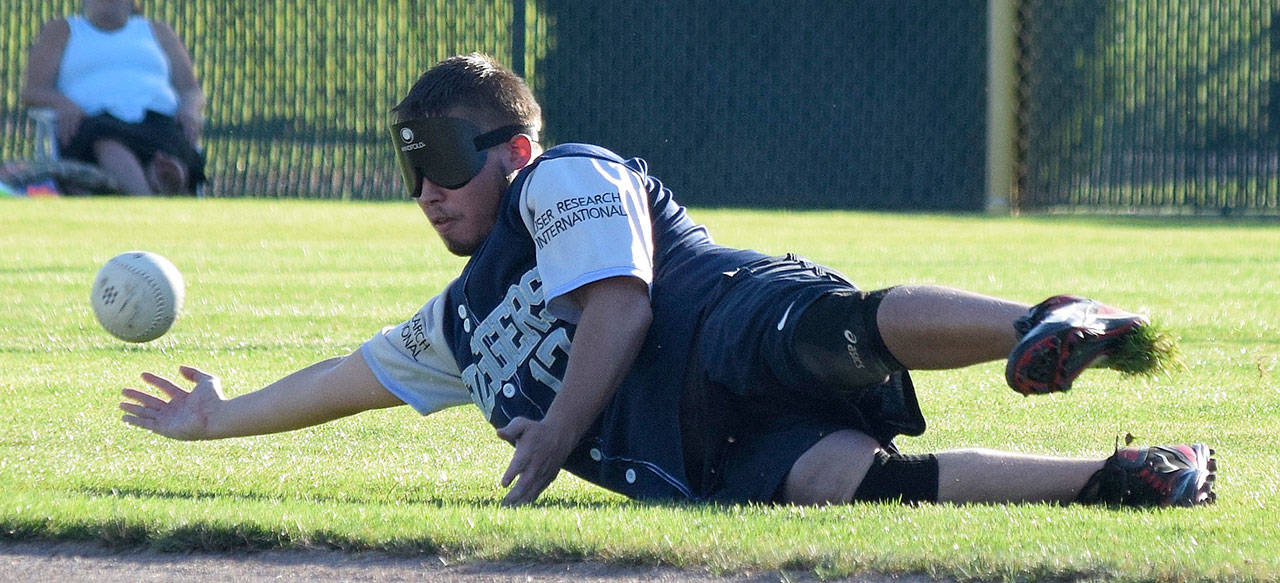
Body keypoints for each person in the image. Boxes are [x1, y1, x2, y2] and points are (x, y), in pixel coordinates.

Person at [120, 53, 1215, 509]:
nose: (425, 190)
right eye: (410, 170)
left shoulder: (566, 179)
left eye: (442, 161)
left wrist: (550, 433)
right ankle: (1121, 477)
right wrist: (218, 421)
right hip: (705, 448)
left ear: (509, 150)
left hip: (721, 322)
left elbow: (622, 302)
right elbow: (346, 378)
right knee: (849, 485)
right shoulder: (458, 320)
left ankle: (1040, 322)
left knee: (828, 333)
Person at [20, 0, 206, 195]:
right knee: (109, 143)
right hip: (94, 123)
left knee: (170, 147)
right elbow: (33, 91)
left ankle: (160, 177)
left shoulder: (157, 31)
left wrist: (189, 108)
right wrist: (62, 103)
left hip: (158, 123)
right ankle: (149, 199)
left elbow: (191, 90)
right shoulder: (63, 31)